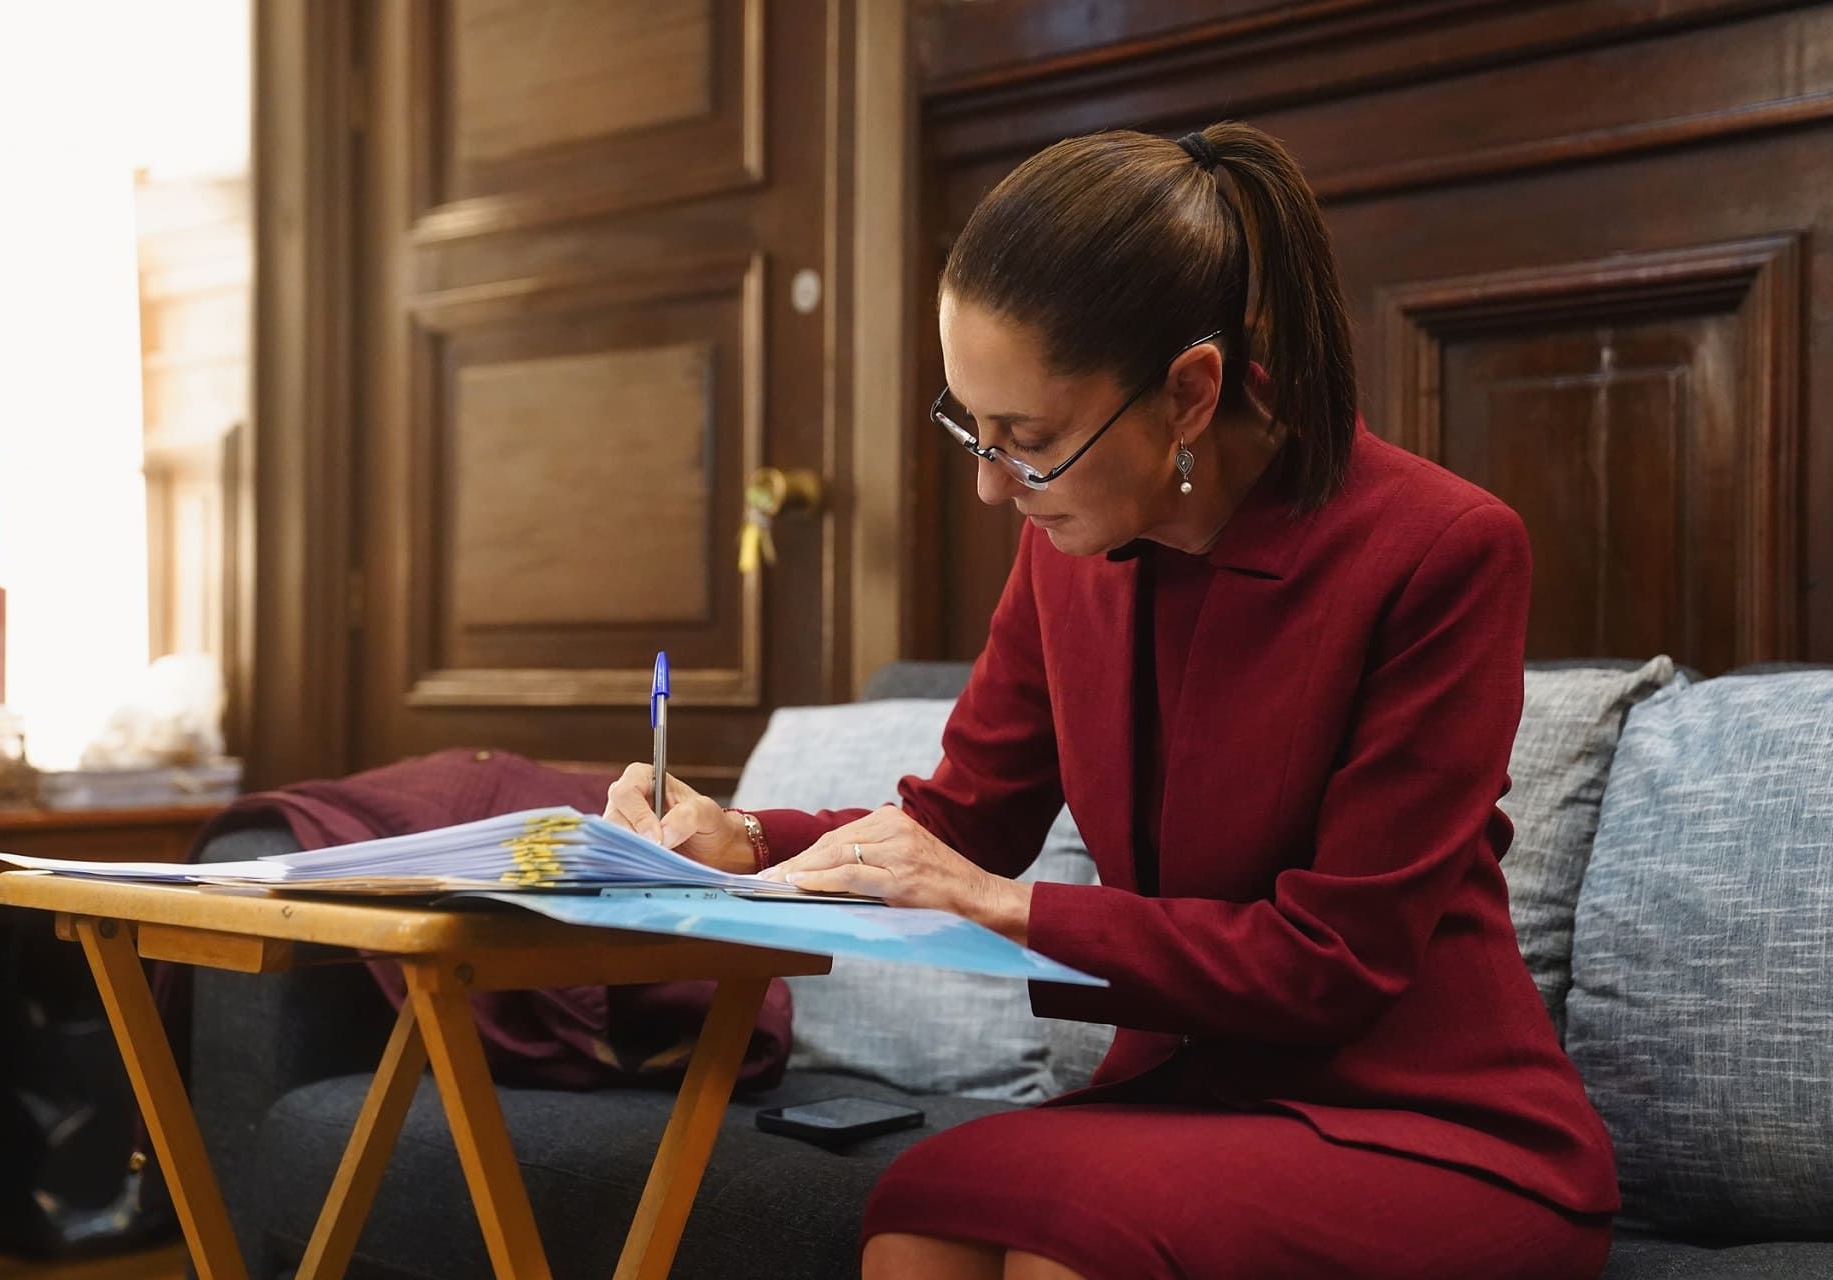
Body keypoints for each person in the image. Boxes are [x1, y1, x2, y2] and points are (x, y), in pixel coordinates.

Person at [605, 122, 1618, 1280]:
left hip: (1432, 1121)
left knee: (1069, 1239)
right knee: (919, 1207)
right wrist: (740, 841)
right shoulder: (1067, 543)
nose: (991, 487)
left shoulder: (1442, 550)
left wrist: (1004, 907)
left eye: (1026, 440)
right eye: (970, 427)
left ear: (1189, 392)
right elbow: (963, 819)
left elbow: (1335, 958)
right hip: (1188, 1092)